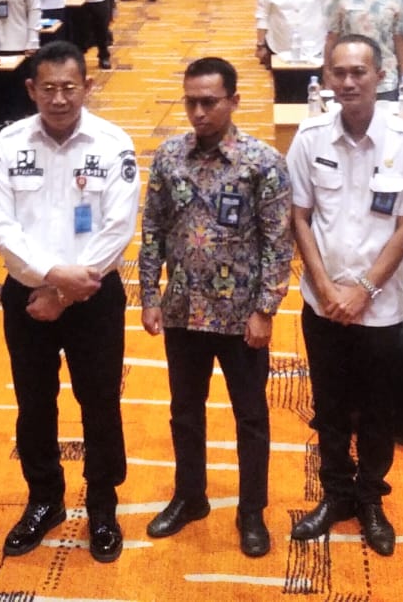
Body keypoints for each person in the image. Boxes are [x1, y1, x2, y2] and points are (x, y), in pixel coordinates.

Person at [0, 41, 139, 563]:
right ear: (31, 89)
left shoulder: (113, 144)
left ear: (87, 86)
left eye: (70, 87)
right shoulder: (8, 144)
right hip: (27, 298)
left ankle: (102, 505)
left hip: (95, 297)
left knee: (100, 403)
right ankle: (44, 500)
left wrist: (65, 293)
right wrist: (50, 279)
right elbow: (0, 226)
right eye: (48, 88)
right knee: (34, 403)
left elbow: (119, 227)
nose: (59, 98)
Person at [139, 57, 293, 558]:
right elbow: (153, 229)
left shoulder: (262, 162)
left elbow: (278, 241)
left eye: (209, 102)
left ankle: (251, 511)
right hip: (183, 309)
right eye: (191, 102)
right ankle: (190, 497)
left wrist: (265, 309)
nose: (199, 112)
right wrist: (148, 295)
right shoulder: (169, 157)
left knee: (250, 417)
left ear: (234, 101)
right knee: (184, 412)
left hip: (240, 315)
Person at [286, 35, 403, 555]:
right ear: (327, 77)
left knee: (377, 409)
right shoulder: (309, 137)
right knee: (329, 406)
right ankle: (336, 495)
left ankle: (370, 499)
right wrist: (325, 288)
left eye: (358, 72)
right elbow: (299, 217)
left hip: (380, 306)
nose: (348, 82)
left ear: (380, 76)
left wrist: (363, 291)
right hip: (322, 302)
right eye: (339, 72)